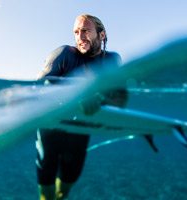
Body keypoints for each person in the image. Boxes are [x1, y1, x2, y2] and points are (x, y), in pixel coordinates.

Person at [35, 14, 127, 200]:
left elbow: (121, 98)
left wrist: (100, 99)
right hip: (51, 128)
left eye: (85, 31)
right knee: (46, 189)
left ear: (102, 35)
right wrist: (72, 101)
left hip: (80, 131)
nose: (79, 36)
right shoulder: (64, 54)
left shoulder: (111, 60)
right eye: (76, 32)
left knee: (67, 184)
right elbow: (38, 88)